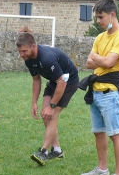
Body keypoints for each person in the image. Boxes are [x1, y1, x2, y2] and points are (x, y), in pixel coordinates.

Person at [79, 0, 119, 175]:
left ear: (112, 14)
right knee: (98, 132)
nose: (98, 21)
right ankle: (102, 169)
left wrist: (97, 58)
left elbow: (108, 63)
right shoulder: (100, 37)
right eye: (97, 18)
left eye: (100, 17)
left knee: (115, 134)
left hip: (110, 92)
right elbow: (88, 63)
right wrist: (101, 59)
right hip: (96, 92)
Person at [16, 32, 79, 166]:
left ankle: (43, 151)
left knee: (52, 114)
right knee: (45, 116)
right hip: (54, 81)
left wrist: (51, 106)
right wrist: (34, 102)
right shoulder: (28, 60)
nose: (21, 55)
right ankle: (57, 150)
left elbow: (62, 82)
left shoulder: (46, 58)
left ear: (33, 47)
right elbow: (36, 79)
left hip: (68, 82)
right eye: (20, 51)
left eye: (24, 51)